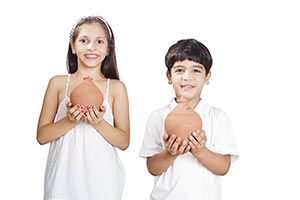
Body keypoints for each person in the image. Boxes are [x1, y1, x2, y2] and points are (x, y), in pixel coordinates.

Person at [37, 16, 130, 200]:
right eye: (83, 40)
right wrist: (69, 121)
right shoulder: (58, 83)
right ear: (73, 46)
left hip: (103, 180)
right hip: (62, 180)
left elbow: (123, 141)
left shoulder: (116, 88)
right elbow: (42, 136)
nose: (91, 47)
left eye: (99, 41)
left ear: (107, 49)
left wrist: (98, 123)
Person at [139, 38, 239, 200]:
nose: (187, 77)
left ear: (207, 77)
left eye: (196, 70)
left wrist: (200, 150)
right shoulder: (158, 117)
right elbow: (152, 168)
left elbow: (223, 167)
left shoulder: (217, 117)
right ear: (168, 76)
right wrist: (170, 153)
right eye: (179, 70)